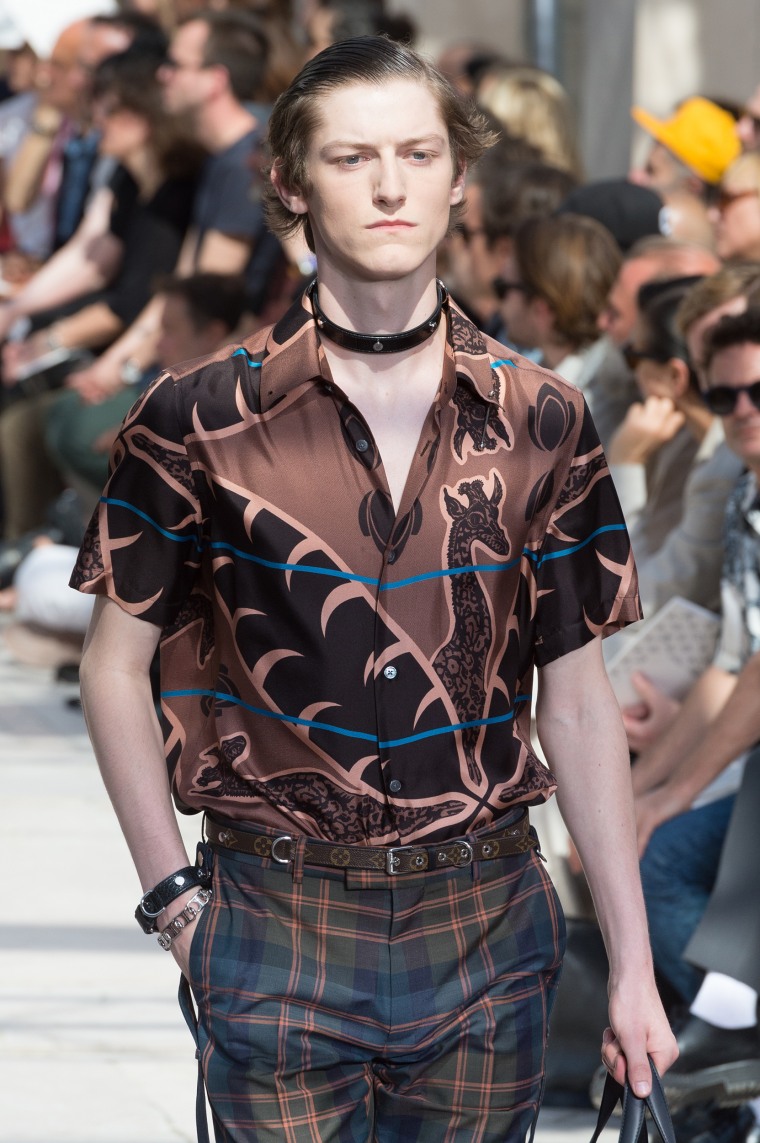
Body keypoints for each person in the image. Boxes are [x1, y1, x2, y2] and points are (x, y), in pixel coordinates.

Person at [72, 36, 676, 1141]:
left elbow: (577, 696)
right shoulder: (197, 416)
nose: (391, 185)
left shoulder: (543, 419)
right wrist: (175, 907)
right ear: (293, 184)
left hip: (487, 918)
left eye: (417, 153)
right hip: (271, 913)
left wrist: (632, 968)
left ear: (458, 176)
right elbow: (112, 663)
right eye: (353, 158)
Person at [631, 308, 760, 1012]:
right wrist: (639, 797)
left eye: (758, 392)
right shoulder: (744, 494)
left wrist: (668, 794)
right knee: (645, 847)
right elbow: (730, 666)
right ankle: (721, 1055)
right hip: (748, 764)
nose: (743, 411)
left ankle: (734, 1037)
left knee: (665, 856)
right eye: (725, 397)